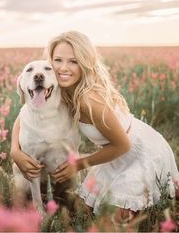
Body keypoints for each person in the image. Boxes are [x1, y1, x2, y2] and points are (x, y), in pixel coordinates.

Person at [11, 31, 179, 225]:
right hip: (114, 153)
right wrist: (15, 150)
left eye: (73, 61)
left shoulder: (88, 99)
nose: (64, 67)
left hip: (139, 149)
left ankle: (169, 185)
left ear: (85, 63)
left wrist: (80, 164)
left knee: (114, 222)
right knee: (83, 211)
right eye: (58, 60)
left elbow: (123, 145)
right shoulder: (58, 89)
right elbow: (25, 114)